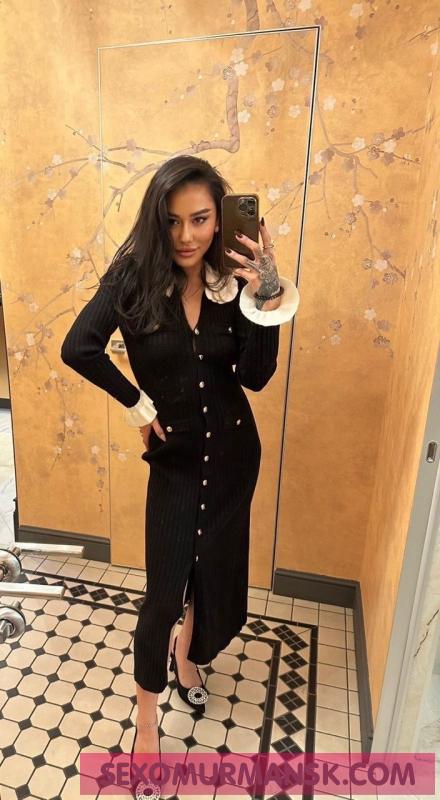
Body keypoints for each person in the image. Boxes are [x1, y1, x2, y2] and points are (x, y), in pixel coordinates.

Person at [60, 155, 300, 774]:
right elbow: (79, 347)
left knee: (211, 573)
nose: (187, 235)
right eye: (172, 221)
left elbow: (254, 376)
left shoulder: (232, 282)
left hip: (234, 457)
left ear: (220, 219)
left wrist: (264, 293)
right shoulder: (132, 278)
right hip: (175, 462)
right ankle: (147, 722)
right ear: (156, 221)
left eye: (200, 219)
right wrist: (138, 405)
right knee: (163, 594)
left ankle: (188, 660)